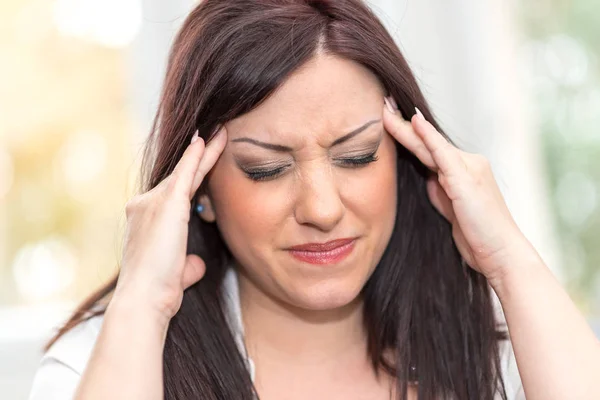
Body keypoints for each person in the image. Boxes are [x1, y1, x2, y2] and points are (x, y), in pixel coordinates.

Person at [28, 0, 600, 399]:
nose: (322, 210)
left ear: (408, 160)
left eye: (356, 157)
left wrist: (510, 261)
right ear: (196, 192)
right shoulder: (101, 364)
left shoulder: (503, 350)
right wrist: (139, 309)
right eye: (266, 169)